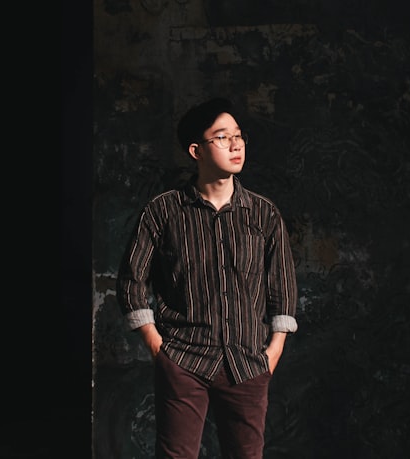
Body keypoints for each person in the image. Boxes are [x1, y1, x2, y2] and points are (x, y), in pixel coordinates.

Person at [116, 97, 299, 459]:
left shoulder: (263, 214)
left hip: (248, 364)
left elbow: (283, 289)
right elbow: (131, 283)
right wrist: (159, 348)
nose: (235, 144)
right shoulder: (163, 211)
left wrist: (272, 353)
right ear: (196, 150)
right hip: (184, 361)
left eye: (239, 136)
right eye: (222, 137)